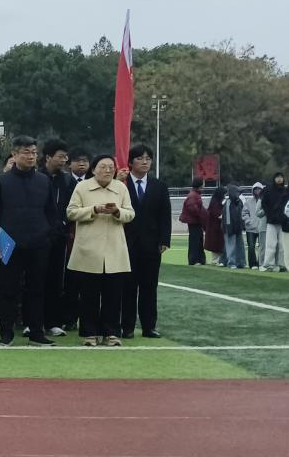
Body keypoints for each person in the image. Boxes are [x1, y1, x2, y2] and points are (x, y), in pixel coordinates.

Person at [0, 135, 58, 347]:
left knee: (36, 289)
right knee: (7, 289)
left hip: (39, 243)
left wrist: (49, 236)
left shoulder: (44, 181)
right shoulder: (2, 181)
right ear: (15, 154)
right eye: (26, 152)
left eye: (34, 152)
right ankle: (6, 333)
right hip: (9, 243)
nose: (31, 156)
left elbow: (51, 212)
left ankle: (36, 332)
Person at [66, 154, 136, 346]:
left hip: (114, 248)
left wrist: (116, 211)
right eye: (103, 167)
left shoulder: (120, 188)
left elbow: (130, 213)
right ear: (94, 169)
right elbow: (71, 212)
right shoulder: (82, 187)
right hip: (88, 249)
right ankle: (90, 334)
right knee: (89, 296)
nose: (107, 170)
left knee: (113, 296)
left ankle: (111, 333)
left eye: (111, 167)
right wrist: (94, 210)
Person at [120, 145, 171, 338]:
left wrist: (164, 240)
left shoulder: (159, 186)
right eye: (140, 158)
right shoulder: (121, 185)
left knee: (149, 287)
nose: (145, 162)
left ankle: (149, 326)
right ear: (130, 162)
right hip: (126, 243)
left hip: (151, 245)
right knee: (128, 287)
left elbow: (165, 215)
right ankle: (127, 327)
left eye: (148, 158)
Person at [41, 138, 71, 336]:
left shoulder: (67, 181)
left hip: (59, 237)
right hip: (38, 237)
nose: (64, 160)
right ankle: (33, 322)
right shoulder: (36, 177)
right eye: (60, 156)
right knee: (35, 280)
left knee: (56, 280)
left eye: (65, 157)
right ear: (48, 157)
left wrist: (63, 226)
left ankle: (53, 322)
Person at [260, 173, 288, 272]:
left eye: (281, 177)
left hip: (283, 222)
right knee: (270, 245)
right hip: (271, 222)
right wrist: (269, 215)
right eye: (277, 177)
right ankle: (269, 265)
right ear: (274, 179)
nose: (279, 179)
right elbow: (264, 204)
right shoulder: (268, 190)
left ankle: (282, 264)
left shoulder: (286, 191)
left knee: (282, 245)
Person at [179, 178, 207, 266]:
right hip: (194, 222)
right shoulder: (193, 195)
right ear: (200, 185)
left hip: (196, 221)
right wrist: (201, 214)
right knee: (195, 241)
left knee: (199, 240)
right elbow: (193, 208)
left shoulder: (195, 195)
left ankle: (200, 260)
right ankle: (194, 260)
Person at [222, 183, 246, 269]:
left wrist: (242, 225)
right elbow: (227, 218)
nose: (239, 194)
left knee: (240, 246)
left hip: (238, 227)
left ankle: (241, 263)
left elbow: (242, 215)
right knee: (231, 246)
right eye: (237, 192)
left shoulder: (239, 202)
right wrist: (229, 228)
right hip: (230, 228)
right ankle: (231, 263)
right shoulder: (228, 203)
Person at [204, 186, 226, 265]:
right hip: (215, 228)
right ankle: (216, 260)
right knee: (216, 244)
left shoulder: (214, 202)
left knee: (217, 244)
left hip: (215, 227)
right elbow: (218, 215)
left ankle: (217, 259)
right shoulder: (215, 204)